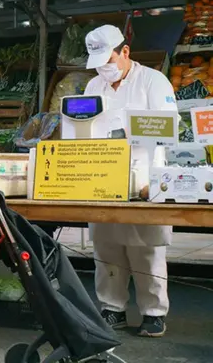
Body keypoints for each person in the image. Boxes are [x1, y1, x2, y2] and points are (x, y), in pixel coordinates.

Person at [83, 24, 176, 338]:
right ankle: (112, 309)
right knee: (106, 247)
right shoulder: (93, 87)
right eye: (97, 63)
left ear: (125, 51)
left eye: (107, 59)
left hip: (146, 177)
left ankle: (153, 312)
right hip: (103, 179)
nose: (103, 68)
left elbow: (168, 129)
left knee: (146, 250)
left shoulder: (153, 80)